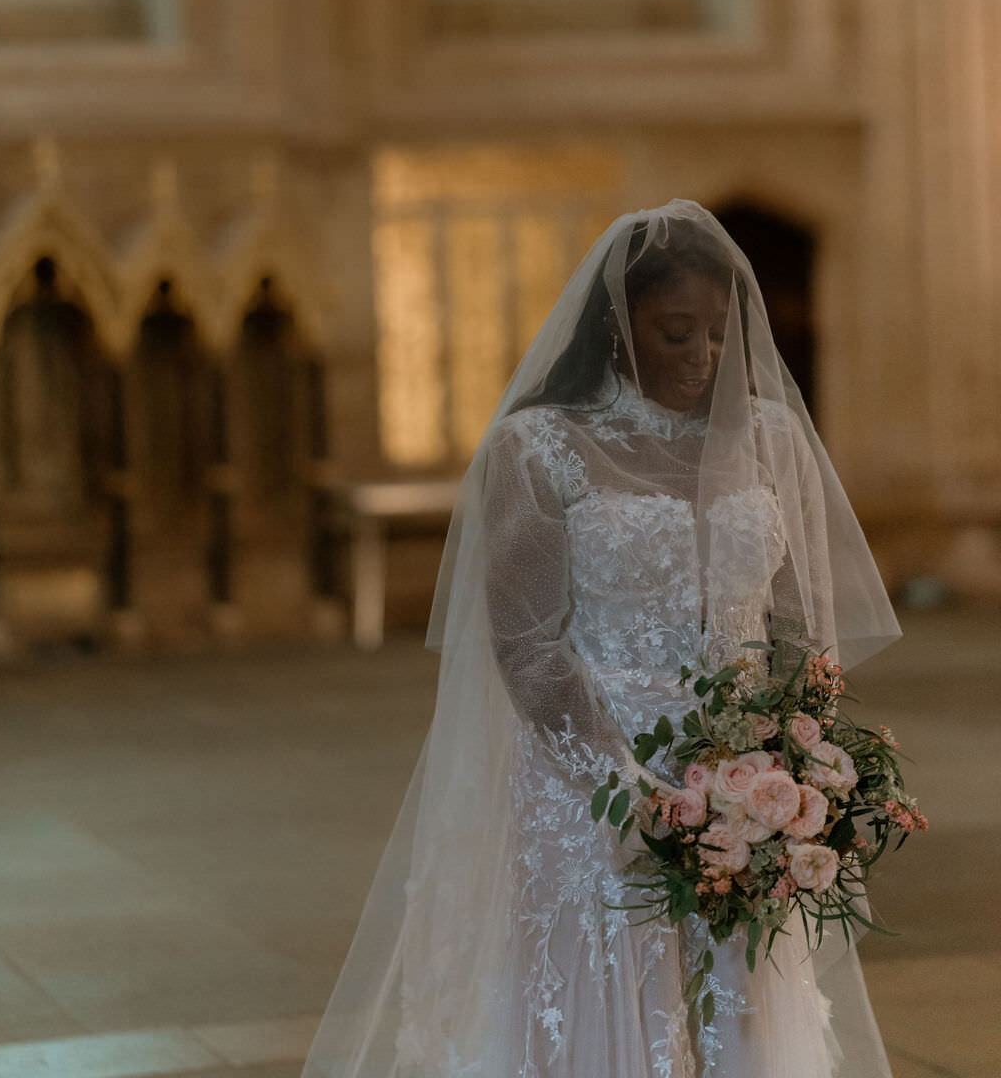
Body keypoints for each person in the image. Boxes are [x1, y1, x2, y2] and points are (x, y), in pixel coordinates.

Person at [303, 202, 901, 1078]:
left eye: (717, 335)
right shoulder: (540, 448)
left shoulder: (769, 440)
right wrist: (628, 790)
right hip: (589, 780)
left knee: (742, 992)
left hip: (745, 784)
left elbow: (795, 626)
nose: (703, 358)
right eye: (676, 333)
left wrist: (793, 760)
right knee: (612, 999)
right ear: (618, 331)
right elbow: (528, 645)